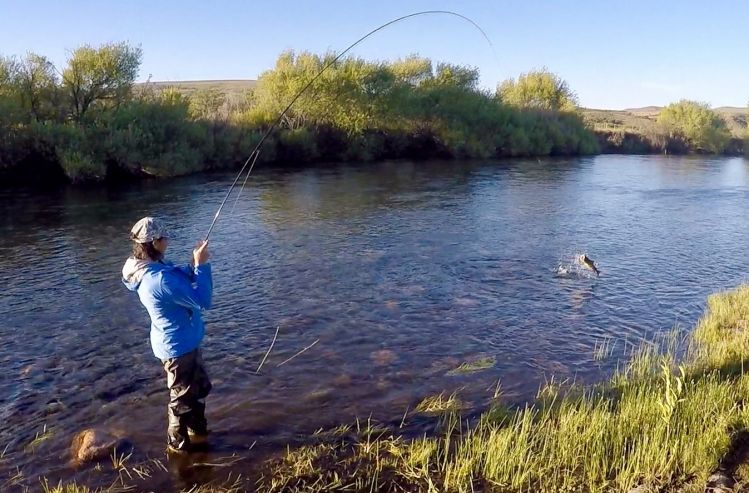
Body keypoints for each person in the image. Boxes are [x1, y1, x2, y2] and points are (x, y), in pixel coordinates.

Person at [121, 217, 213, 453]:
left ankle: (197, 432)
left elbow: (176, 275)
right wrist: (202, 266)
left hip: (182, 341)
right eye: (164, 237)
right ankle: (178, 447)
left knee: (198, 388)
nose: (168, 240)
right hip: (178, 347)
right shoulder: (158, 279)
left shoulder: (149, 266)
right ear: (154, 241)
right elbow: (203, 301)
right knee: (181, 398)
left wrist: (193, 264)